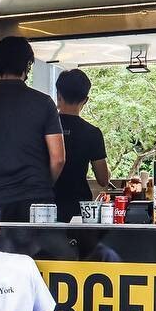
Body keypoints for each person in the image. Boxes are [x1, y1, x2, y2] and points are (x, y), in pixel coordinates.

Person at [0, 35, 65, 223]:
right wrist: (41, 186)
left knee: (2, 251)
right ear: (27, 66)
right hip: (38, 202)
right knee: (40, 252)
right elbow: (58, 159)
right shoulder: (44, 103)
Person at [52, 68, 112, 223]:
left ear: (58, 95)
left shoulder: (44, 129)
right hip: (78, 208)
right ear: (85, 100)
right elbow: (103, 179)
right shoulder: (92, 133)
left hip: (46, 205)